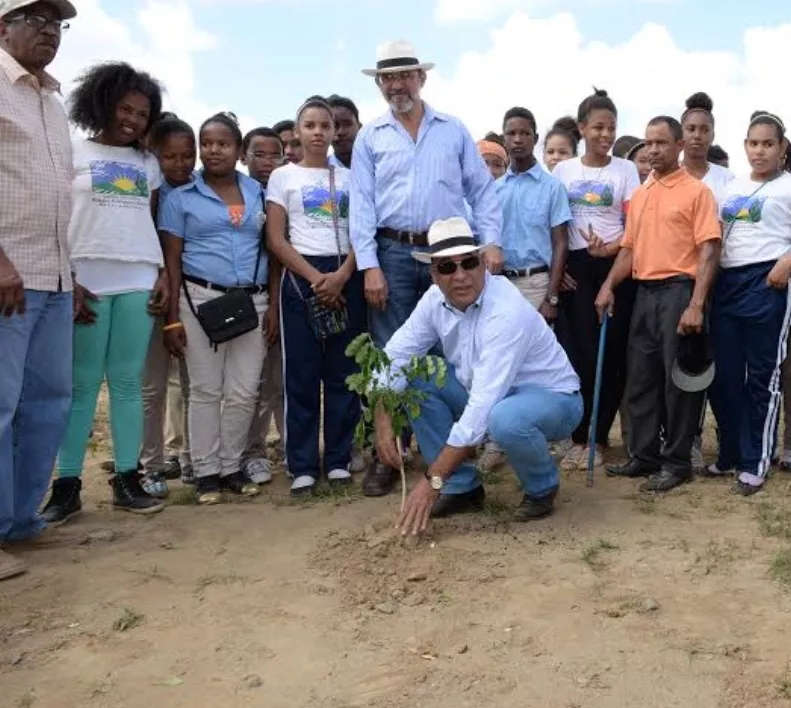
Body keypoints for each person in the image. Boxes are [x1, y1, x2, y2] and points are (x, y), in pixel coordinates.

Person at [350, 40, 502, 497]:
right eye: (388, 78)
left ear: (422, 78)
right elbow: (361, 204)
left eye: (405, 75)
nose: (397, 85)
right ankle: (387, 454)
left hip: (448, 256)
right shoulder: (369, 136)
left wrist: (490, 244)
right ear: (379, 85)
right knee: (390, 352)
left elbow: (483, 192)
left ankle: (445, 457)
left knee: (444, 357)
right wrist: (369, 265)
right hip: (392, 254)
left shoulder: (453, 130)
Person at [372, 217, 581, 535]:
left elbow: (483, 406)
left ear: (483, 264)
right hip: (487, 396)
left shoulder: (505, 311)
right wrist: (382, 416)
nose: (460, 276)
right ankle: (461, 489)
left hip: (554, 400)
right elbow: (397, 355)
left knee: (504, 418)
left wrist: (432, 480)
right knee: (418, 377)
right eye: (446, 268)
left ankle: (542, 488)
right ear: (433, 274)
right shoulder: (433, 300)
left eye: (468, 263)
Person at [41, 61, 168, 525]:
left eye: (142, 112)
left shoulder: (148, 163)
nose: (132, 119)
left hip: (137, 278)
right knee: (82, 385)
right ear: (101, 103)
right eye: (124, 108)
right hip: (86, 281)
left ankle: (127, 479)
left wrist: (161, 275)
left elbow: (149, 222)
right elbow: (55, 218)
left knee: (128, 382)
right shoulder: (70, 151)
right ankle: (67, 485)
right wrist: (67, 277)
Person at [599, 116, 721, 493]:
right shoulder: (642, 194)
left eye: (661, 143)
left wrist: (697, 303)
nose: (652, 149)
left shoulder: (696, 192)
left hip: (679, 292)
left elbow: (710, 249)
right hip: (644, 293)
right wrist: (607, 285)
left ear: (679, 145)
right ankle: (645, 456)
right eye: (648, 143)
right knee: (641, 378)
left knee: (677, 381)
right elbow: (629, 249)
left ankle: (677, 461)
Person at [0, 0, 78, 580]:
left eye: (57, 23)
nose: (49, 30)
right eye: (36, 20)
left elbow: (58, 199)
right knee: (0, 408)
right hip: (9, 275)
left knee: (49, 403)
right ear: (4, 27)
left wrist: (68, 274)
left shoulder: (52, 101)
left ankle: (21, 521)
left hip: (52, 276)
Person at [160, 112, 274, 505]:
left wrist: (272, 305)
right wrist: (172, 318)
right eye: (206, 143)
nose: (213, 150)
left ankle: (231, 467)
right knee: (206, 391)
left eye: (222, 143)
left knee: (244, 391)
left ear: (239, 150)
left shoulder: (260, 193)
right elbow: (171, 261)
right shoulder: (179, 199)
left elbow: (272, 249)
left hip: (253, 302)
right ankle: (206, 473)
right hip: (199, 301)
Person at [266, 97, 366, 496]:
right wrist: (315, 278)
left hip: (346, 275)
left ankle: (339, 459)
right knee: (302, 375)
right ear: (298, 131)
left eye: (326, 125)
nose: (319, 132)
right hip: (300, 278)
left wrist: (341, 276)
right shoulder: (282, 178)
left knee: (343, 372)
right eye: (310, 125)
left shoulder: (351, 178)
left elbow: (364, 232)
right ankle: (303, 463)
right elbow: (276, 238)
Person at [478, 106, 572, 472]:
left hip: (536, 282)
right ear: (504, 138)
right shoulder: (493, 190)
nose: (517, 140)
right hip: (500, 285)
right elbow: (485, 235)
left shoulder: (551, 186)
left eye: (524, 133)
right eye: (511, 134)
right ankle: (496, 440)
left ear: (535, 137)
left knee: (538, 363)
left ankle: (548, 435)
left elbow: (560, 242)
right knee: (498, 360)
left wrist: (551, 295)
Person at [552, 89, 640, 471]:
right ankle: (577, 435)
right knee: (581, 357)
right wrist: (561, 271)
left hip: (616, 267)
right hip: (574, 270)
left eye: (612, 128)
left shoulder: (626, 170)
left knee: (612, 355)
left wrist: (612, 248)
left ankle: (598, 438)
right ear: (582, 128)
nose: (605, 135)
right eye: (598, 127)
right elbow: (554, 228)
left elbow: (636, 229)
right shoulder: (564, 170)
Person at [707, 111, 791, 495]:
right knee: (725, 377)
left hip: (767, 283)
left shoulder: (788, 186)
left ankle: (755, 460)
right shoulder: (730, 186)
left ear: (782, 148)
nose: (760, 151)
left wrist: (786, 264)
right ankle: (730, 454)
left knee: (762, 377)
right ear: (745, 146)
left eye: (768, 144)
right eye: (754, 143)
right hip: (727, 282)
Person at [140, 115, 196, 493]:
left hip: (191, 299)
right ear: (154, 155)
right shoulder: (147, 194)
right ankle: (150, 463)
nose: (179, 163)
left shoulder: (202, 190)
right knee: (150, 386)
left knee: (193, 384)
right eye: (170, 156)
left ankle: (192, 456)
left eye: (187, 155)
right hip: (149, 296)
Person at [680, 91, 735, 470]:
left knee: (722, 362)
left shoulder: (727, 180)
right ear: (681, 134)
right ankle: (689, 439)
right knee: (687, 363)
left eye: (704, 129)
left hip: (723, 283)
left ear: (713, 134)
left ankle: (727, 440)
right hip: (681, 283)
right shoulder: (667, 176)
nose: (698, 135)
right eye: (691, 129)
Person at [240, 126, 286, 483]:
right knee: (252, 383)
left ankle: (289, 445)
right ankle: (251, 450)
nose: (268, 162)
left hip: (285, 296)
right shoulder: (239, 194)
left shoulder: (286, 189)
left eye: (276, 155)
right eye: (260, 154)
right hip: (249, 298)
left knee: (281, 379)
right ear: (245, 156)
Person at [327, 94, 361, 169]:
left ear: (359, 127)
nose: (341, 132)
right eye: (335, 126)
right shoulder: (320, 170)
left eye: (347, 124)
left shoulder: (376, 164)